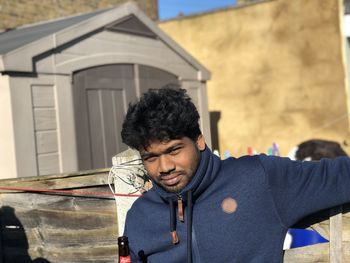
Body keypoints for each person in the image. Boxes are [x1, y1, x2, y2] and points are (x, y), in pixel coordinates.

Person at [121, 86, 350, 263]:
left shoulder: (259, 179)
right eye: (151, 157)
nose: (164, 167)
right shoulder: (140, 218)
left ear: (199, 140)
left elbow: (341, 176)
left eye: (174, 150)